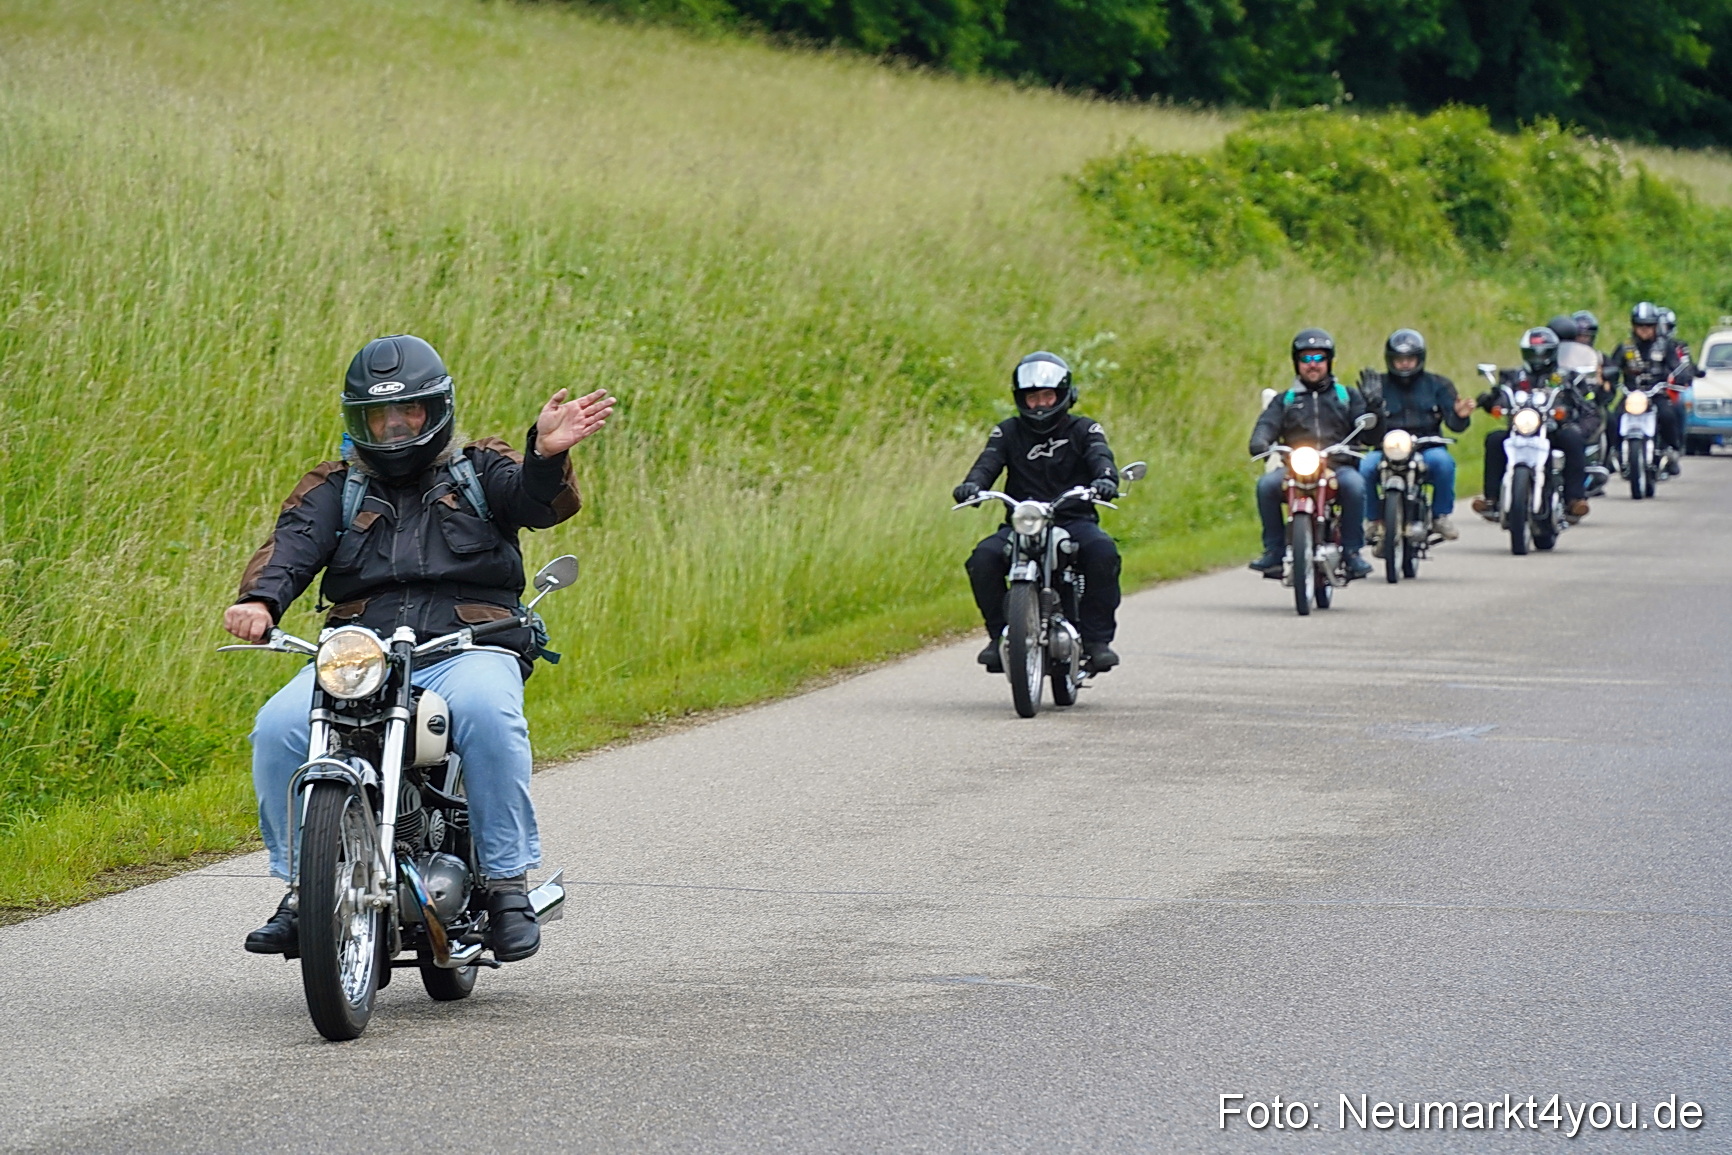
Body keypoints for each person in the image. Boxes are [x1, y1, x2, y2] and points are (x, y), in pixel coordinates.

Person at [229, 334, 613, 962]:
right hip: (362, 651)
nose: (396, 427)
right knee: (277, 728)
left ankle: (505, 884)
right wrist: (261, 601)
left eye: (408, 412)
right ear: (359, 419)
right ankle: (301, 890)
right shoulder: (335, 484)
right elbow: (293, 542)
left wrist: (544, 454)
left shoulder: (480, 466)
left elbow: (537, 505)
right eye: (380, 416)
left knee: (491, 717)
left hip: (469, 641)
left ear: (436, 411)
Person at [954, 351, 1122, 674]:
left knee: (1103, 552)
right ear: (1021, 399)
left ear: (1063, 395)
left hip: (1074, 520)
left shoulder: (1085, 429)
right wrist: (972, 485)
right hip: (1024, 523)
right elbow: (987, 463)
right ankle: (1000, 635)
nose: (1041, 404)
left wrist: (1105, 480)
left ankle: (1097, 640)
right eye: (1033, 397)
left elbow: (1101, 457)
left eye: (1048, 395)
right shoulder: (1007, 432)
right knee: (982, 559)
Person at [1248, 328, 1374, 580]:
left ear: (1329, 362)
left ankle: (1352, 552)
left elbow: (1370, 435)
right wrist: (1260, 441)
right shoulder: (1285, 400)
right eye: (1306, 359)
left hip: (1338, 465)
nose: (1312, 365)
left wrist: (1374, 407)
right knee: (1266, 486)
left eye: (1318, 359)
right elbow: (1266, 425)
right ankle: (1274, 551)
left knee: (1355, 485)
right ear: (1297, 363)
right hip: (1295, 466)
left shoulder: (1347, 396)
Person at [1356, 328, 1473, 548]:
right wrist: (1370, 404)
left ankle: (1440, 516)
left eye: (1410, 359)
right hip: (1386, 447)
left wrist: (1460, 415)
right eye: (1399, 360)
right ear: (1390, 360)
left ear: (1420, 359)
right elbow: (1365, 428)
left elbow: (1455, 425)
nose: (1405, 364)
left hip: (1426, 445)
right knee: (1365, 468)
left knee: (1444, 463)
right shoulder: (1377, 385)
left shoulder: (1439, 384)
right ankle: (1372, 520)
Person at [1472, 326, 1592, 521]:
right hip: (1519, 432)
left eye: (1542, 352)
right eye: (1532, 353)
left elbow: (1586, 405)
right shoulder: (1512, 377)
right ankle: (1491, 499)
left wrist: (1573, 417)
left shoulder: (1566, 377)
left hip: (1552, 431)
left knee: (1573, 438)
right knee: (1494, 439)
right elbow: (1500, 397)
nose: (1537, 357)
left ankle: (1574, 499)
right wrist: (1489, 400)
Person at [1606, 302, 1689, 476]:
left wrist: (1682, 376)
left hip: (1656, 393)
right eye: (1640, 325)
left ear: (1655, 326)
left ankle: (1671, 451)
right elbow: (1612, 367)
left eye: (1648, 325)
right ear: (1633, 326)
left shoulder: (1665, 346)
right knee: (1613, 418)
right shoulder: (1625, 347)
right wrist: (1607, 379)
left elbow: (1676, 366)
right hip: (1631, 395)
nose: (1644, 329)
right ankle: (1612, 454)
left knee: (1668, 415)